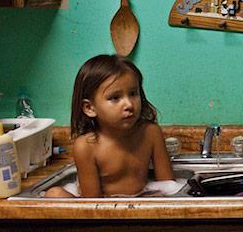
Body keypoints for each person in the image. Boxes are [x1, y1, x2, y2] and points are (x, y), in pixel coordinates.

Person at [45, 54, 173, 197]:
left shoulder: (150, 132)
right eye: (115, 98)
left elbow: (169, 187)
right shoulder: (86, 146)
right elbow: (92, 205)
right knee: (54, 194)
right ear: (89, 108)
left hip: (141, 205)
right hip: (103, 213)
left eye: (133, 93)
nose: (129, 104)